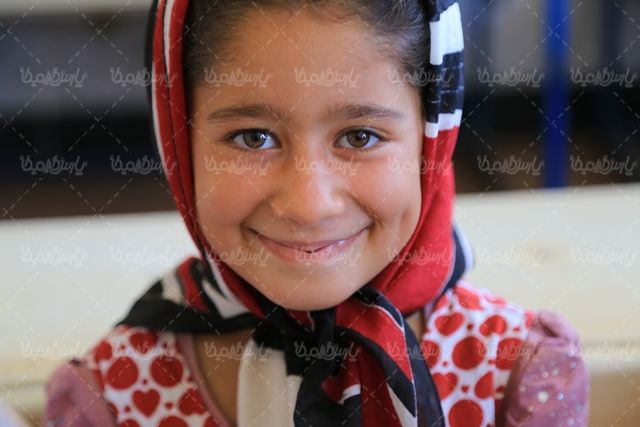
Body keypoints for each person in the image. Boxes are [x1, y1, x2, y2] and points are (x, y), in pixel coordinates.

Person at [43, 0, 590, 426]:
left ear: (432, 141)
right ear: (179, 145)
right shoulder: (112, 394)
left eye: (360, 136)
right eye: (253, 137)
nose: (308, 204)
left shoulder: (516, 373)